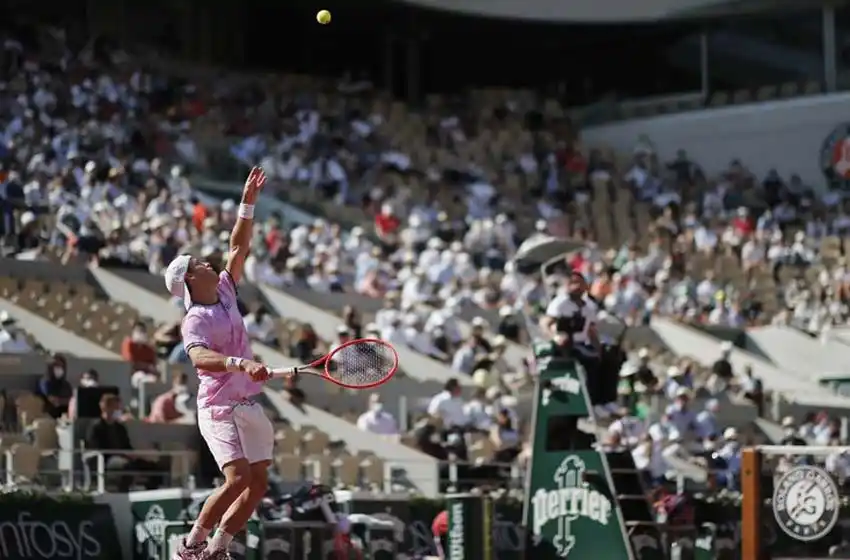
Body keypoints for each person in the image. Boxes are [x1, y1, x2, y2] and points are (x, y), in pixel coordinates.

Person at [165, 167, 276, 560]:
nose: (209, 264)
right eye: (199, 263)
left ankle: (217, 549)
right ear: (191, 280)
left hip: (246, 399)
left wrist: (247, 203)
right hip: (217, 406)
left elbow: (237, 248)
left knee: (258, 483)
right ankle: (191, 544)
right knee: (237, 479)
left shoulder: (226, 289)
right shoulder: (194, 318)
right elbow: (198, 357)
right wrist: (239, 363)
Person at [85, 393, 163, 492]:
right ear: (106, 408)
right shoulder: (96, 427)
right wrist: (119, 454)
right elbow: (96, 448)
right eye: (116, 407)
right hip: (106, 460)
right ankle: (123, 493)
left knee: (153, 468)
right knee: (126, 466)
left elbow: (127, 446)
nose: (119, 411)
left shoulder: (120, 428)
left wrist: (133, 454)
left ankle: (150, 495)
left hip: (124, 457)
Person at [36, 354, 73, 418]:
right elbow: (55, 401)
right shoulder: (45, 382)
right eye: (56, 365)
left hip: (66, 416)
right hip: (49, 415)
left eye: (61, 366)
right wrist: (68, 401)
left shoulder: (66, 384)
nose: (59, 369)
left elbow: (72, 400)